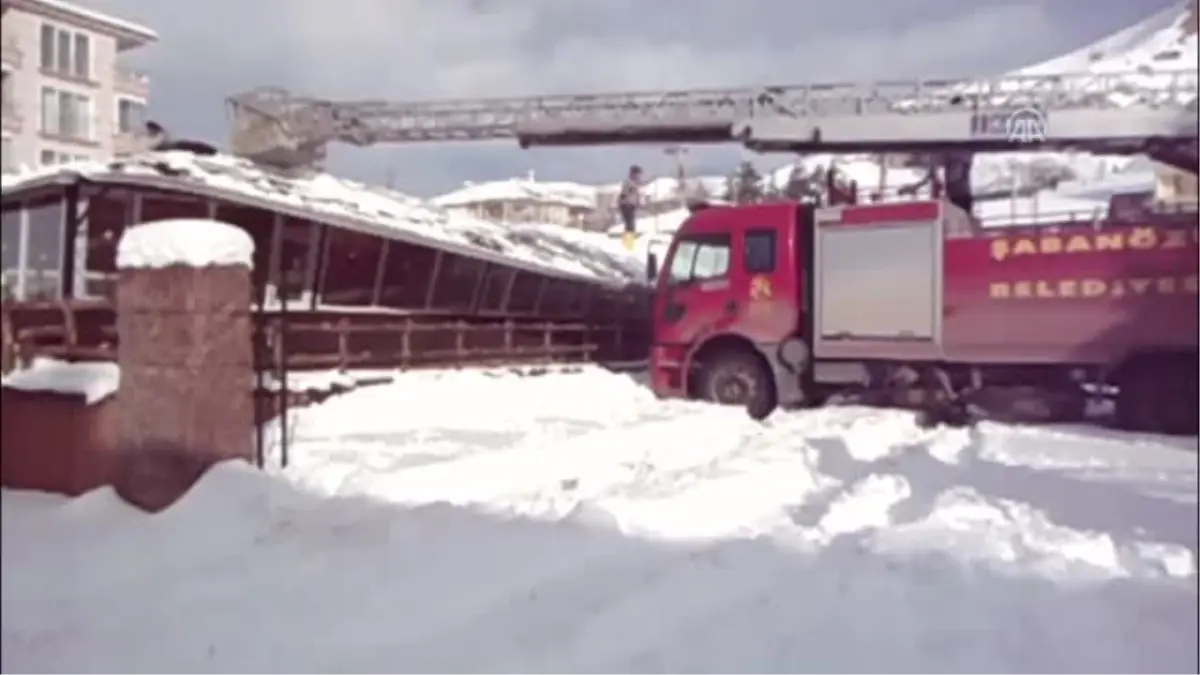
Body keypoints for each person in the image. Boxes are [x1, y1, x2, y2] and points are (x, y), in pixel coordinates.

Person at [617, 165, 644, 248]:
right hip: (627, 206)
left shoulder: (635, 184)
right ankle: (628, 244)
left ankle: (628, 244)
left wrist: (638, 203)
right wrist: (624, 204)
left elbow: (636, 196)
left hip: (631, 206)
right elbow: (623, 195)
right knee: (630, 225)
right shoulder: (629, 183)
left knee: (631, 225)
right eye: (638, 174)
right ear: (633, 174)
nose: (640, 176)